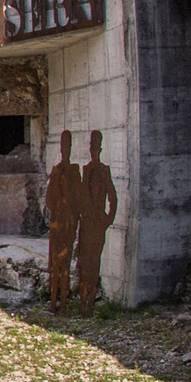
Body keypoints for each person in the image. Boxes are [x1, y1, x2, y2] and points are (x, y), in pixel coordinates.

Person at [75, 129, 118, 313]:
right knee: (84, 261)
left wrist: (108, 219)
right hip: (86, 222)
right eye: (91, 147)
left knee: (94, 262)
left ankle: (90, 301)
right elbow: (80, 196)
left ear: (99, 149)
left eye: (96, 147)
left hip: (98, 222)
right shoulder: (85, 171)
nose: (93, 151)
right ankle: (83, 300)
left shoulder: (104, 170)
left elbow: (113, 197)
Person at [44, 128, 80, 313]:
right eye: (64, 145)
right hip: (58, 222)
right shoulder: (56, 171)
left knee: (64, 264)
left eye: (69, 145)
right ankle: (53, 300)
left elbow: (79, 197)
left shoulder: (75, 171)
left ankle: (64, 301)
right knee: (55, 264)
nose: (66, 149)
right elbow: (49, 198)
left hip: (69, 223)